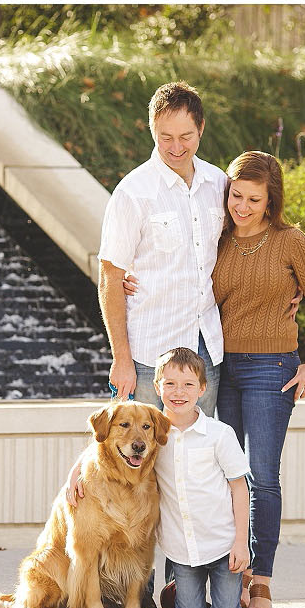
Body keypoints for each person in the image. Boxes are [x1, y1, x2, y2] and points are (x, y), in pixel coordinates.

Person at [213, 151, 305, 608]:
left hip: (272, 369)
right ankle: (218, 571)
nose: (242, 207)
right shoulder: (217, 238)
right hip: (221, 367)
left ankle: (260, 579)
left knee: (262, 475)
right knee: (221, 474)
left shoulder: (291, 242)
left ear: (271, 202)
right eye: (236, 195)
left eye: (254, 199)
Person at [98, 82, 225, 419]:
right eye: (165, 136)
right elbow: (110, 277)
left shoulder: (219, 184)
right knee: (140, 466)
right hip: (147, 356)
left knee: (197, 458)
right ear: (152, 129)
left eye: (185, 136)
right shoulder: (133, 193)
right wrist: (121, 359)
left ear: (201, 128)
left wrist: (289, 286)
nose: (176, 147)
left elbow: (247, 246)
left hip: (206, 350)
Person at [153, 347, 250, 608]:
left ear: (203, 388)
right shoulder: (152, 435)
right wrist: (77, 474)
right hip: (182, 549)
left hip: (223, 544)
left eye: (188, 384)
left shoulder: (220, 434)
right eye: (169, 383)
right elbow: (109, 445)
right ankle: (181, 591)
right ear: (157, 386)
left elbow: (240, 488)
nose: (178, 392)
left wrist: (241, 543)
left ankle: (236, 589)